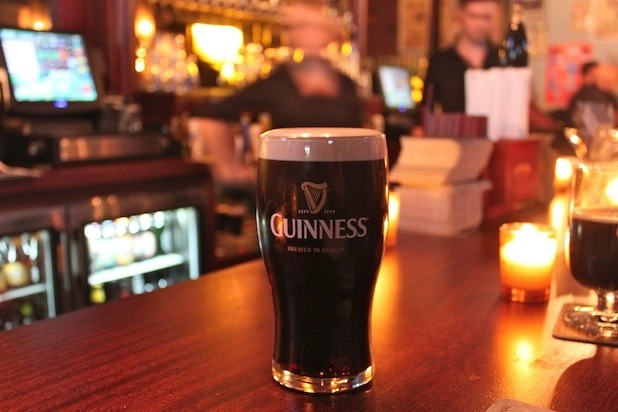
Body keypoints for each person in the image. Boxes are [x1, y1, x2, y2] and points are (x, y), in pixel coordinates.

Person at [187, 2, 363, 186]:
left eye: (314, 26)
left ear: (329, 32)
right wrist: (228, 167)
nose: (308, 33)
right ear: (290, 35)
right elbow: (210, 113)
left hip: (345, 186)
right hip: (291, 187)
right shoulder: (279, 82)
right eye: (299, 26)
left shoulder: (346, 83)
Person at [422, 0, 502, 114]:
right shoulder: (441, 61)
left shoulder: (502, 60)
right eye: (473, 16)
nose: (480, 24)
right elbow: (426, 110)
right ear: (461, 14)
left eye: (486, 17)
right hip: (451, 125)